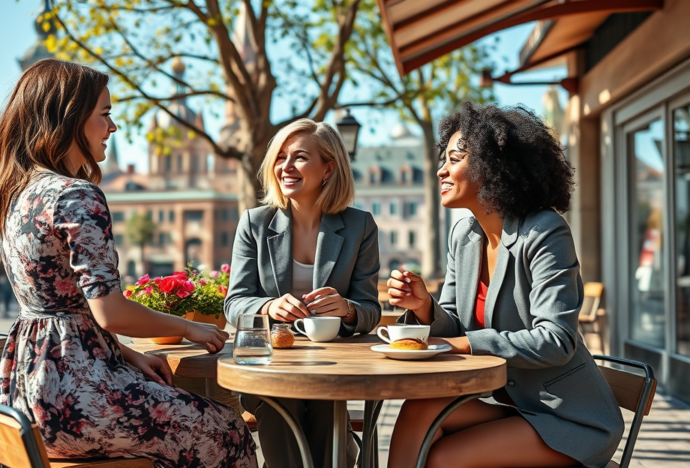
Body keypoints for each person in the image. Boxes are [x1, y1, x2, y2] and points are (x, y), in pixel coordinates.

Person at [0, 59, 257, 468]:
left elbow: (61, 311)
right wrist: (189, 327)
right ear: (70, 118)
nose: (113, 127)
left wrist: (126, 354)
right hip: (77, 400)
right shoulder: (76, 195)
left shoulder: (16, 194)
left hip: (27, 393)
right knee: (227, 430)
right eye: (104, 114)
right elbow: (109, 310)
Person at [386, 102, 624, 468]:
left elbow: (557, 340)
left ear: (491, 165)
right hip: (519, 408)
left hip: (572, 421)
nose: (441, 170)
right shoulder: (464, 237)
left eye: (454, 159)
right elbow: (454, 324)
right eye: (443, 159)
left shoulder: (544, 231)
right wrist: (424, 307)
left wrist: (461, 343)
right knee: (421, 408)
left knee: (443, 458)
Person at [224, 119, 381, 468]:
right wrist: (269, 305)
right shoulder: (254, 223)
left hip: (332, 367)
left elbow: (370, 309)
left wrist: (347, 309)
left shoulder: (360, 226)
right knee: (282, 403)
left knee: (326, 405)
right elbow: (234, 304)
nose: (285, 167)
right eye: (280, 157)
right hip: (268, 367)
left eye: (299, 157)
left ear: (329, 167)